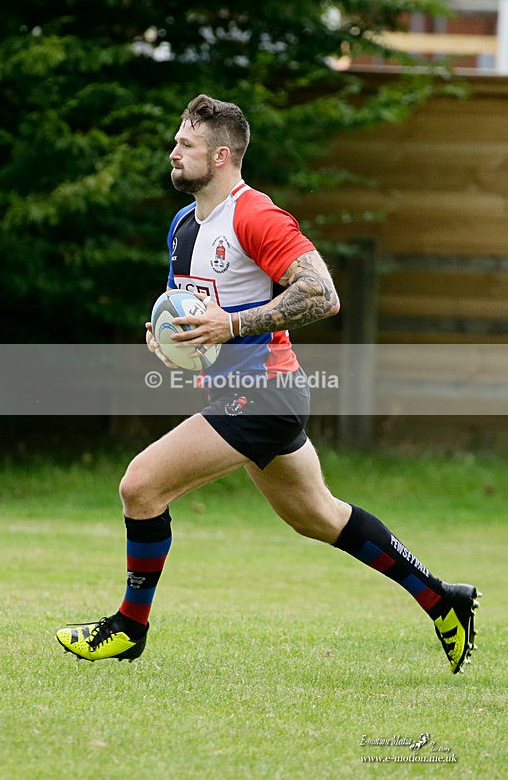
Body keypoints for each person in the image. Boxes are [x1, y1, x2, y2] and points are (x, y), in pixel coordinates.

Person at [56, 95, 480, 673]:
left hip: (264, 393)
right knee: (318, 516)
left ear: (221, 156)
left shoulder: (255, 215)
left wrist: (231, 326)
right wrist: (170, 342)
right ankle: (442, 599)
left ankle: (129, 628)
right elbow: (193, 316)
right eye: (176, 142)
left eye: (186, 144)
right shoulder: (183, 225)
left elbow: (322, 295)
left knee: (141, 485)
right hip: (243, 393)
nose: (173, 152)